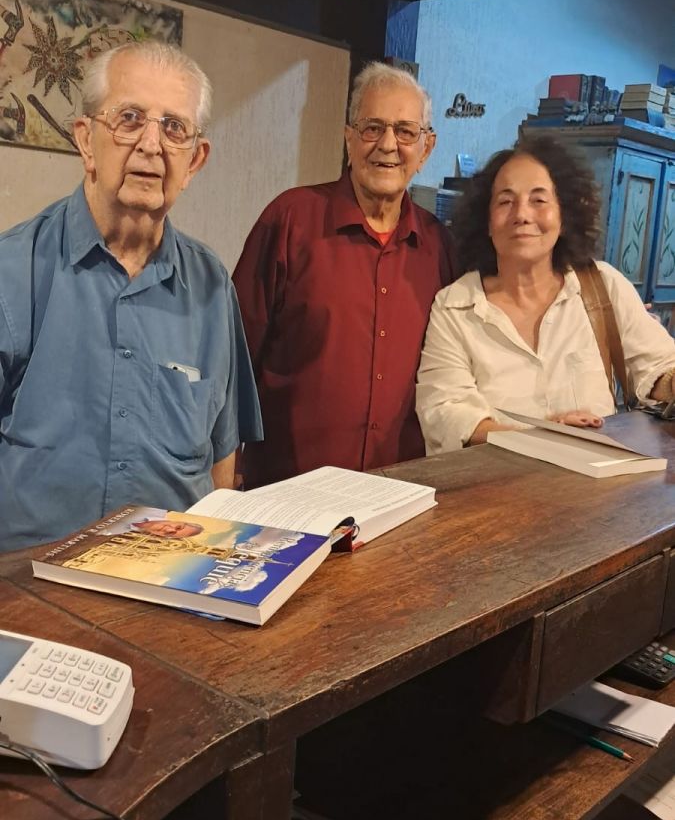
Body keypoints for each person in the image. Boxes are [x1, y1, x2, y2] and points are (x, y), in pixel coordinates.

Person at [0, 40, 262, 550]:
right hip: (29, 581)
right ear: (86, 140)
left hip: (169, 574)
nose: (151, 144)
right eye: (129, 118)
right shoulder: (12, 270)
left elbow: (222, 461)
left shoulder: (212, 285)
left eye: (174, 128)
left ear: (195, 161)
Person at [233, 61, 454, 487]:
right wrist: (229, 466)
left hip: (397, 489)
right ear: (349, 137)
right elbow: (235, 354)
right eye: (373, 128)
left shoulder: (439, 245)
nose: (387, 145)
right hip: (288, 488)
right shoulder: (291, 220)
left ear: (426, 148)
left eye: (405, 131)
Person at [416, 136, 675, 453]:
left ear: (564, 216)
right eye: (505, 202)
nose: (522, 215)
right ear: (486, 221)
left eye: (539, 200)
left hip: (597, 480)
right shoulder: (454, 306)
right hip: (497, 481)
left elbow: (660, 366)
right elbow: (445, 412)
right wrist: (538, 437)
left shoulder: (602, 285)